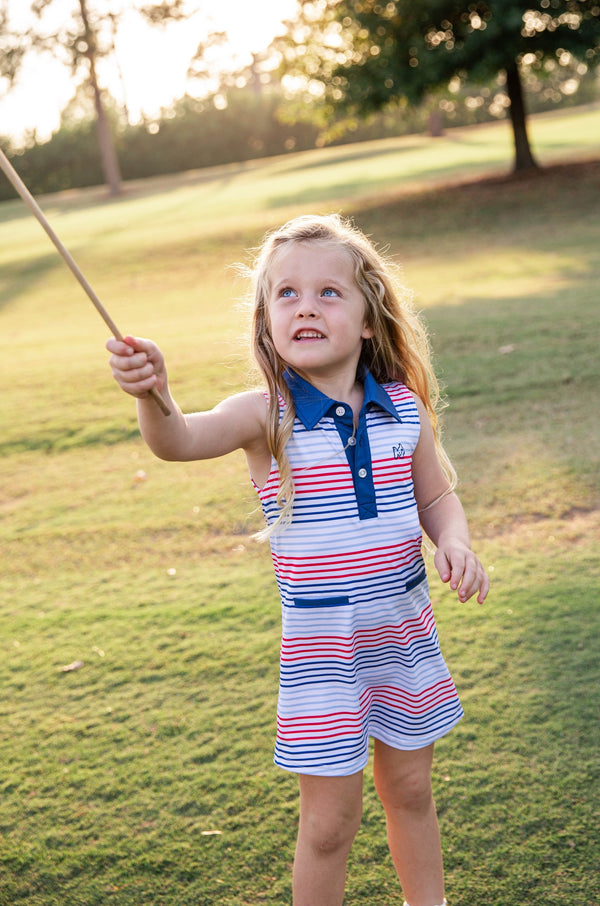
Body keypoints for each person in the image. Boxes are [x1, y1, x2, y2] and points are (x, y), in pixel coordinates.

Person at [106, 213, 489, 906]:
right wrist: (152, 395)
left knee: (410, 790)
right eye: (285, 294)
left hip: (402, 640)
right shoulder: (267, 415)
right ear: (266, 321)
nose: (305, 305)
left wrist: (455, 542)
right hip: (324, 656)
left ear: (370, 318)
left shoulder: (403, 410)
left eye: (327, 293)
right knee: (328, 825)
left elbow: (438, 500)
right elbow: (180, 440)